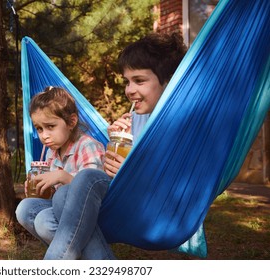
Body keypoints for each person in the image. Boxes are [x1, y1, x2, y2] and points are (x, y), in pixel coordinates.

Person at [43, 32, 188, 259]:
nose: (129, 90)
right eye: (127, 81)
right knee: (48, 206)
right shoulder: (136, 119)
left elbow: (177, 183)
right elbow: (116, 171)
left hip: (155, 212)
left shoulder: (181, 122)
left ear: (167, 81)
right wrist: (115, 141)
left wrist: (130, 172)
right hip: (123, 200)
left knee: (85, 179)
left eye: (139, 81)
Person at [15, 86, 106, 245]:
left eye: (50, 127)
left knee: (44, 221)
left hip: (90, 213)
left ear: (71, 122)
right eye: (39, 129)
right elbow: (55, 196)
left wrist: (62, 176)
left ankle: (69, 254)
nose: (44, 135)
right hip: (63, 210)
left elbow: (92, 191)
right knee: (24, 209)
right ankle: (71, 253)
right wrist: (44, 188)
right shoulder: (52, 152)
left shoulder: (87, 147)